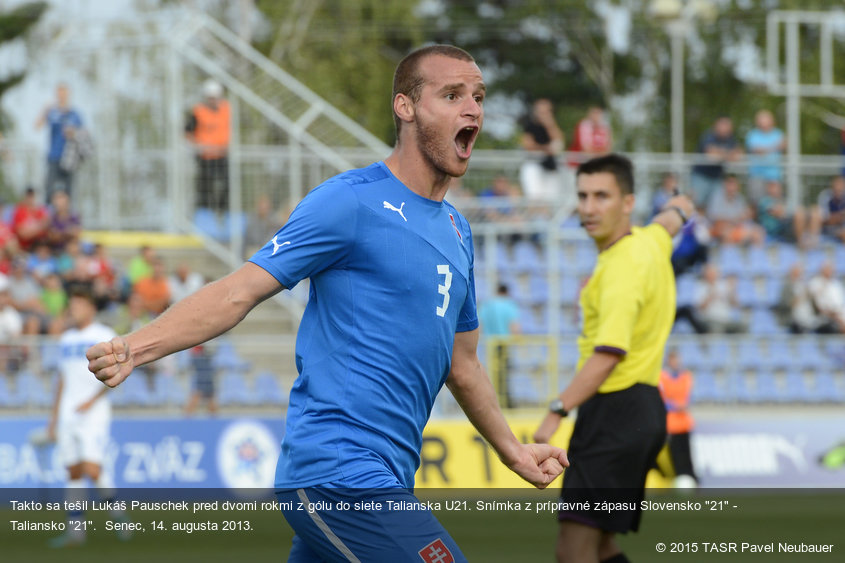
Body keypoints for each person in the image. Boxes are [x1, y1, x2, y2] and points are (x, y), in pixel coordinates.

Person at [86, 45, 568, 562]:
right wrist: (137, 347)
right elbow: (237, 291)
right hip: (339, 474)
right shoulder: (350, 201)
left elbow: (463, 363)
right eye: (451, 95)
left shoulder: (458, 230)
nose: (471, 108)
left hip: (386, 476)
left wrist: (513, 452)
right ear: (405, 107)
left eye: (477, 96)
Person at [533, 153, 693, 563]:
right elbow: (674, 217)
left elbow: (609, 354)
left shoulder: (621, 268)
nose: (588, 208)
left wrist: (558, 409)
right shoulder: (649, 240)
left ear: (627, 203)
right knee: (602, 547)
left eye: (602, 196)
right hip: (642, 412)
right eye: (582, 195)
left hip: (614, 413)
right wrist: (680, 204)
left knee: (573, 551)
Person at [47, 284, 131, 547]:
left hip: (93, 413)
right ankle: (76, 532)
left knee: (92, 469)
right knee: (72, 470)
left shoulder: (103, 335)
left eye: (80, 304)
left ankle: (120, 518)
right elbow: (61, 378)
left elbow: (114, 375)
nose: (74, 309)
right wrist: (54, 416)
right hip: (67, 413)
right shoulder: (67, 338)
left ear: (91, 308)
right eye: (72, 304)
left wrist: (91, 401)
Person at [185, 79, 231, 212]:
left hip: (222, 155)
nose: (213, 101)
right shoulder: (198, 111)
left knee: (226, 186)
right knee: (204, 188)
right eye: (210, 98)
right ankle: (204, 212)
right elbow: (187, 132)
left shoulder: (226, 109)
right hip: (205, 157)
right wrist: (198, 146)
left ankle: (223, 212)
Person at [35, 83, 84, 201]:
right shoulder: (52, 112)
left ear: (68, 94)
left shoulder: (75, 114)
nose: (61, 96)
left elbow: (83, 135)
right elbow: (37, 126)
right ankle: (48, 215)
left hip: (69, 159)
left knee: (68, 191)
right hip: (54, 157)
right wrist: (45, 110)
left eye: (64, 93)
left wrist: (73, 133)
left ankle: (67, 218)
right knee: (50, 189)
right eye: (59, 93)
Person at [658, 349, 698, 489]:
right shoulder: (662, 377)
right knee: (674, 456)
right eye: (673, 359)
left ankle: (691, 480)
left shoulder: (686, 376)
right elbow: (662, 399)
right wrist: (675, 405)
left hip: (685, 423)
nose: (676, 362)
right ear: (669, 361)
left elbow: (688, 396)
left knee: (687, 455)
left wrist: (683, 404)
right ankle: (673, 481)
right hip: (670, 424)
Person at [478, 283, 521, 408]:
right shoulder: (509, 305)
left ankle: (492, 400)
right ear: (506, 292)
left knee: (492, 373)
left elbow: (480, 325)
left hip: (490, 344)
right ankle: (504, 402)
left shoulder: (487, 305)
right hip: (504, 343)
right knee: (504, 374)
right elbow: (514, 326)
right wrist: (518, 342)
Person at [689, 116, 743, 208]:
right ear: (717, 125)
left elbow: (739, 153)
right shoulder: (708, 136)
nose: (726, 128)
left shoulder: (730, 139)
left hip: (717, 177)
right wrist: (728, 154)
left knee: (714, 206)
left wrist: (720, 154)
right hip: (701, 176)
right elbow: (711, 154)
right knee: (696, 203)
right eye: (723, 125)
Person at [519, 98, 566, 204]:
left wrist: (550, 125)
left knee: (552, 199)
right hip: (534, 164)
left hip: (550, 167)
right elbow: (528, 145)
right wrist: (546, 149)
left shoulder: (552, 126)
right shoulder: (530, 126)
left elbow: (559, 143)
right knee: (535, 198)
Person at [756, 180, 821, 247]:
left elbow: (785, 212)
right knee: (799, 213)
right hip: (779, 231)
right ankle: (802, 242)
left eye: (777, 187)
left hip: (786, 226)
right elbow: (777, 212)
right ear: (768, 189)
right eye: (773, 187)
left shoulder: (783, 200)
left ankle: (812, 240)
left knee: (814, 211)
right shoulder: (764, 201)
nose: (775, 189)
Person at [706, 174, 764, 246]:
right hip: (719, 229)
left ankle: (755, 256)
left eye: (734, 184)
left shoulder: (740, 199)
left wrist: (748, 215)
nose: (732, 187)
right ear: (725, 185)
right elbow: (715, 220)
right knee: (727, 233)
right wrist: (734, 221)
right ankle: (728, 255)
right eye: (730, 183)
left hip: (736, 228)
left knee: (758, 232)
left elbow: (744, 218)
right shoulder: (716, 197)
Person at [745, 109, 786, 203]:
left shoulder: (778, 133)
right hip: (757, 174)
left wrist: (765, 150)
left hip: (774, 176)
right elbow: (756, 150)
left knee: (776, 203)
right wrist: (774, 147)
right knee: (756, 202)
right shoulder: (753, 134)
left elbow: (783, 145)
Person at [817, 175, 845, 243]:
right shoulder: (825, 196)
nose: (839, 188)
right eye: (837, 185)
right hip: (827, 229)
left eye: (841, 186)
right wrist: (840, 216)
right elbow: (824, 220)